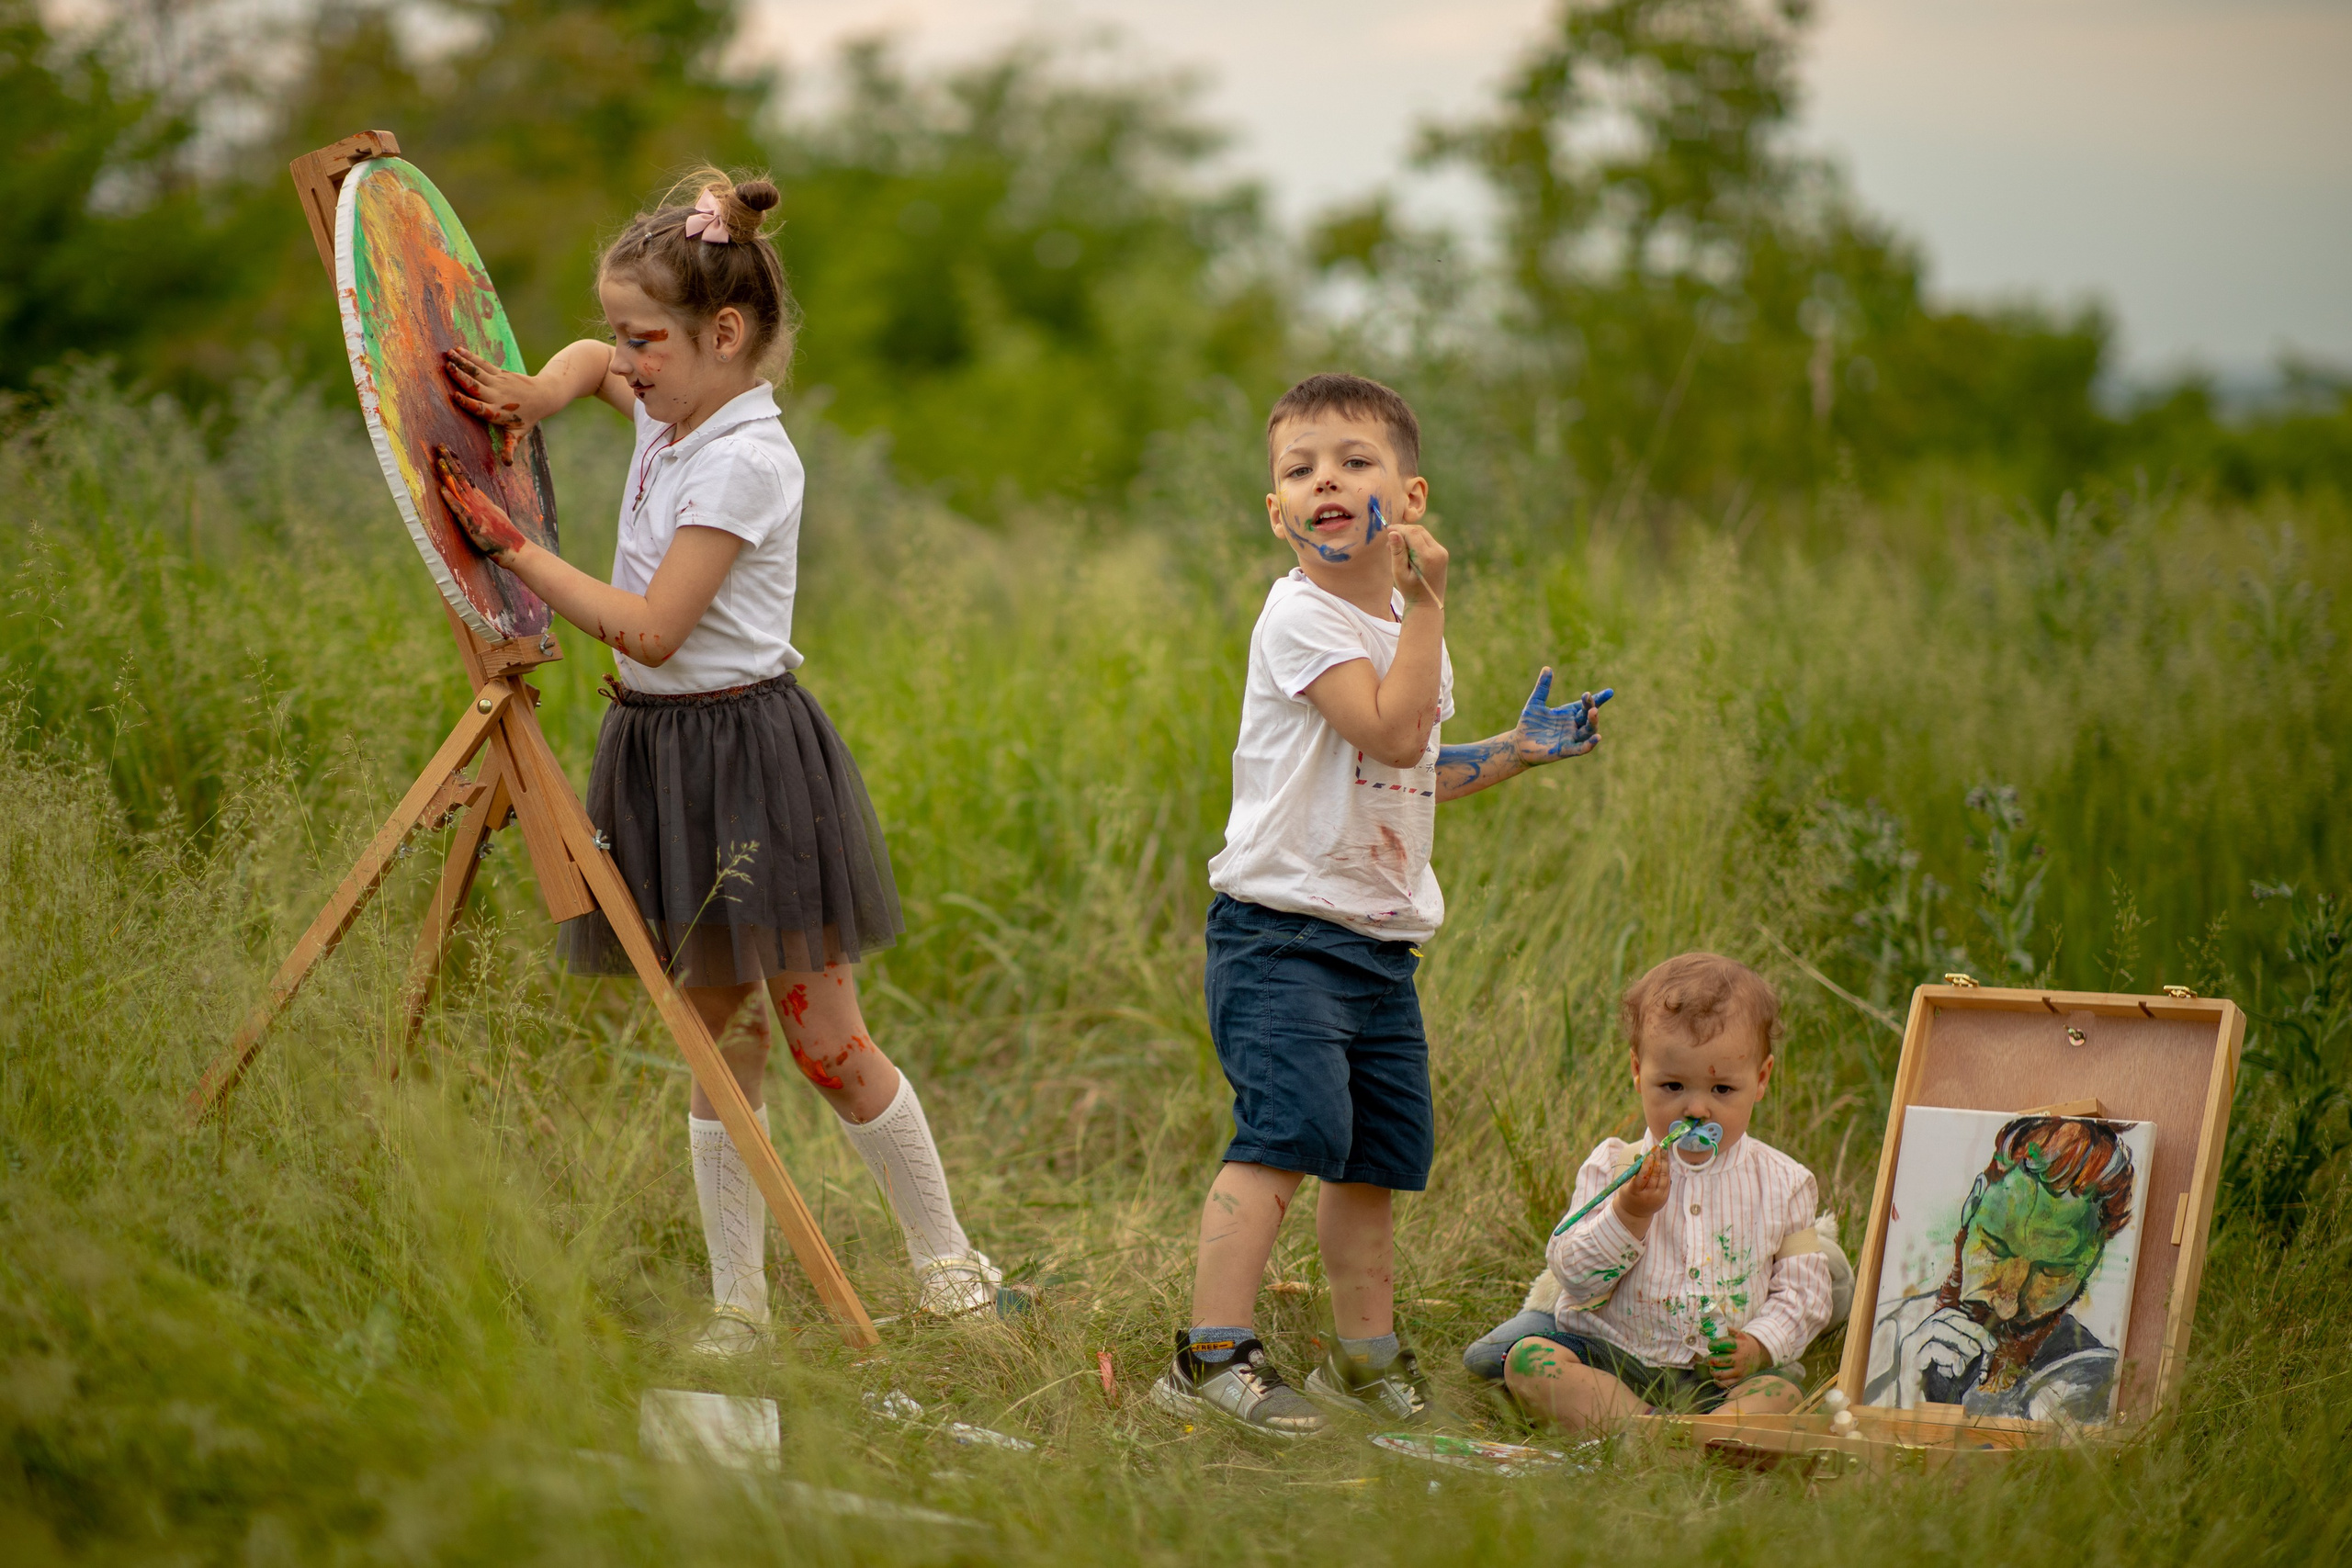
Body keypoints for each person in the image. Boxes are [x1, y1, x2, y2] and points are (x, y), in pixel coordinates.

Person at [432, 168, 999, 1352]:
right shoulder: (669, 402)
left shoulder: (746, 457)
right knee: (716, 1044)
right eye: (625, 334)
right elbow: (586, 361)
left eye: (646, 340)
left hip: (747, 758)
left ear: (725, 334)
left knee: (825, 1045)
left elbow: (651, 630)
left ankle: (951, 1272)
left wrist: (514, 550)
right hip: (659, 756)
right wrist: (541, 390)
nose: (625, 362)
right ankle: (739, 1308)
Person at [1148, 373, 1611, 1438]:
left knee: (1376, 1155)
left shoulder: (1402, 624)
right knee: (1286, 1135)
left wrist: (1515, 750)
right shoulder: (1299, 616)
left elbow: (1411, 764)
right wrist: (1435, 609)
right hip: (1282, 937)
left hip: (1378, 944)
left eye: (1353, 461)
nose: (1325, 481)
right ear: (1276, 510)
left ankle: (1362, 1361)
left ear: (1409, 497)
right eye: (1299, 468)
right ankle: (1210, 1355)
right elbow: (1390, 731)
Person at [1498, 953, 1835, 1432]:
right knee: (1530, 1362)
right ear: (1638, 1071)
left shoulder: (1785, 1182)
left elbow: (1806, 1291)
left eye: (1722, 1089)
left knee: (1780, 1394)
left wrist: (1760, 1344)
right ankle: (1651, 1431)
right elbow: (1573, 1276)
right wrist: (1628, 1214)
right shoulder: (1614, 1167)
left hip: (1718, 1378)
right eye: (1673, 1085)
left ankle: (1686, 1434)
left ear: (1760, 1080)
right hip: (1614, 1356)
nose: (1696, 1109)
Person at [1863, 1115, 2137, 1422]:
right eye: (1996, 1249)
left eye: (2051, 1272)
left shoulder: (2089, 1380)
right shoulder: (1883, 1332)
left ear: (2092, 1261)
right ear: (1973, 1202)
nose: (2007, 1306)